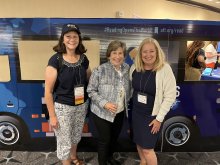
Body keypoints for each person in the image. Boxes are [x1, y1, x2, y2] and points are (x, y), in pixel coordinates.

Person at [44, 23, 91, 165]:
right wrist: (52, 116)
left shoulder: (84, 58)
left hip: (81, 105)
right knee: (64, 141)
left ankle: (73, 157)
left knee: (76, 136)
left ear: (79, 39)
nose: (72, 39)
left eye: (75, 36)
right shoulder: (55, 60)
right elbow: (48, 91)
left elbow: (90, 79)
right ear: (63, 39)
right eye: (68, 36)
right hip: (63, 107)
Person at [130, 37, 176, 165]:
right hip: (137, 113)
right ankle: (143, 163)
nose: (148, 55)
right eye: (144, 51)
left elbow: (170, 96)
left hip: (152, 116)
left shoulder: (164, 69)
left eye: (151, 51)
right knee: (139, 143)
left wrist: (159, 119)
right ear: (140, 53)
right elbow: (131, 88)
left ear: (157, 52)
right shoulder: (135, 67)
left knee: (147, 149)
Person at [87, 40, 130, 165]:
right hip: (102, 112)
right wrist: (105, 103)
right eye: (114, 53)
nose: (117, 56)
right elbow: (91, 91)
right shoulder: (99, 70)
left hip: (120, 112)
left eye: (120, 53)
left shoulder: (127, 69)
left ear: (124, 55)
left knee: (114, 138)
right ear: (108, 55)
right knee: (104, 140)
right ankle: (102, 162)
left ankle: (110, 158)